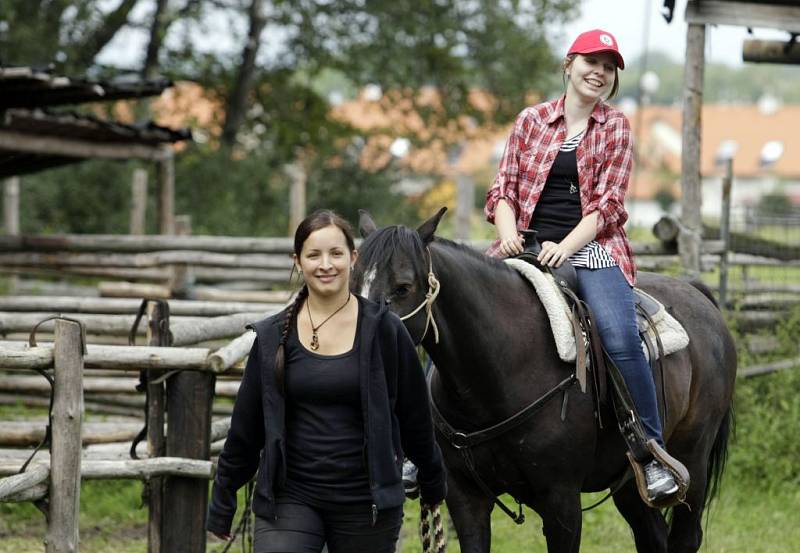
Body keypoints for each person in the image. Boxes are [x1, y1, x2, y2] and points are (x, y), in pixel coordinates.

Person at [484, 29, 678, 503]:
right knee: (454, 306)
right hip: (523, 244)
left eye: (608, 67)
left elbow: (608, 206)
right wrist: (509, 235)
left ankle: (647, 450)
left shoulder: (615, 127)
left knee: (619, 336)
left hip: (590, 250)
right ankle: (425, 441)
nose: (599, 72)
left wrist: (565, 248)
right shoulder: (531, 120)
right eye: (591, 61)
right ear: (568, 65)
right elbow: (502, 190)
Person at [207, 210, 447, 552]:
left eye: (336, 253)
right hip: (291, 498)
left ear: (353, 258)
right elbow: (247, 426)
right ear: (298, 261)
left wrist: (432, 479)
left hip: (367, 502)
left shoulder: (385, 331)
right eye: (314, 255)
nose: (326, 264)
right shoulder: (274, 334)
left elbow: (415, 417)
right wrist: (223, 497)